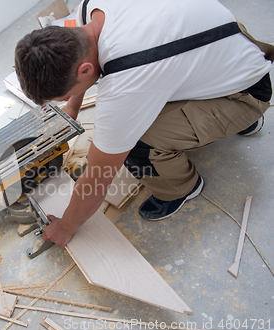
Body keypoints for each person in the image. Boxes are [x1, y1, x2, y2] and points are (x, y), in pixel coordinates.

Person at [14, 0, 273, 247]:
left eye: (65, 96)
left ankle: (180, 188)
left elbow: (98, 179)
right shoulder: (87, 11)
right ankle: (232, 119)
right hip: (228, 50)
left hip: (246, 92)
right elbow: (82, 64)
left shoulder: (127, 78)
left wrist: (66, 227)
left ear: (83, 71)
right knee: (147, 98)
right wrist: (72, 107)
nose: (69, 99)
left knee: (135, 145)